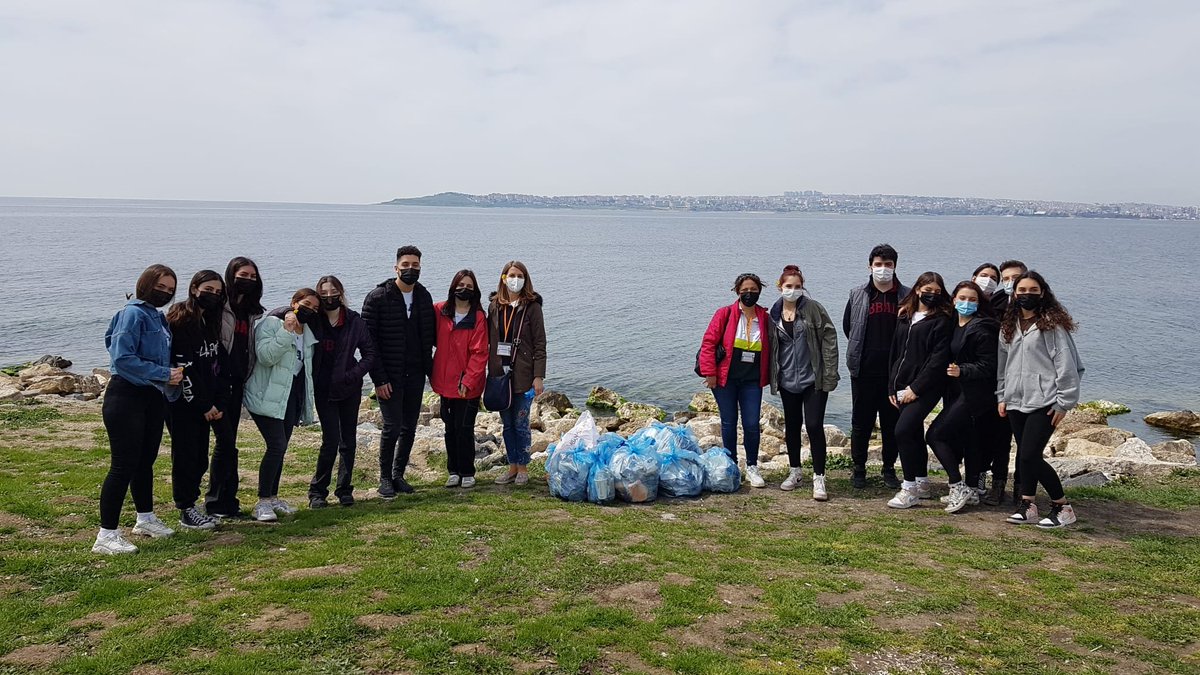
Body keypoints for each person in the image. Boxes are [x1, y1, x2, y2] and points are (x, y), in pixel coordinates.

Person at [93, 264, 183, 554]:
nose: (165, 293)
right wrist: (163, 373)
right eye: (160, 287)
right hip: (126, 395)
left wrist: (169, 373)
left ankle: (145, 519)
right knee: (123, 465)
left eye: (170, 289)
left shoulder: (157, 316)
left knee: (145, 462)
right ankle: (106, 535)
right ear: (145, 284)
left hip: (152, 396)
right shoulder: (132, 313)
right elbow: (122, 357)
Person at [998, 271, 1082, 528]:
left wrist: (1064, 402)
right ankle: (1028, 505)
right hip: (1014, 400)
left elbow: (1067, 365)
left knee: (1029, 456)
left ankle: (1062, 507)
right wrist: (1002, 395)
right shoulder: (1008, 325)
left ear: (1043, 293)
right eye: (1022, 290)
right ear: (1014, 294)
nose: (1027, 295)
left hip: (1045, 401)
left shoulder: (1051, 326)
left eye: (1033, 290)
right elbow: (1003, 364)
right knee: (1024, 455)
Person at [361, 246, 437, 499]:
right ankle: (384, 478)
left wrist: (432, 372)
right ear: (396, 268)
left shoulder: (423, 296)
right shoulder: (377, 297)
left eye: (415, 265)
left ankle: (398, 475)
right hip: (389, 376)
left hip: (415, 374)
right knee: (391, 427)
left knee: (409, 428)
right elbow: (368, 343)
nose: (410, 269)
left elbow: (429, 337)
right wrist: (379, 378)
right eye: (405, 265)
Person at [244, 288, 319, 522]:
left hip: (290, 396)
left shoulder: (308, 332)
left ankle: (273, 497)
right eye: (306, 304)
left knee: (281, 447)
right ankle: (262, 502)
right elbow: (266, 357)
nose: (310, 310)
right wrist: (286, 331)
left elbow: (304, 369)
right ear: (294, 303)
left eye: (315, 308)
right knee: (276, 445)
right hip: (266, 395)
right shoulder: (271, 324)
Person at [165, 270, 231, 531]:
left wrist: (219, 402)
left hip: (208, 403)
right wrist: (203, 405)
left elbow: (218, 363)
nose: (213, 295)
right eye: (208, 290)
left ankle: (193, 505)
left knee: (200, 457)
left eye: (218, 292)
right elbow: (183, 369)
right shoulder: (180, 319)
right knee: (186, 455)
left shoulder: (210, 321)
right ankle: (185, 508)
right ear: (194, 289)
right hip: (184, 403)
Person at [767, 265, 839, 500]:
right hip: (787, 379)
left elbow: (829, 338)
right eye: (789, 286)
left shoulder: (813, 309)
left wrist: (830, 372)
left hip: (813, 378)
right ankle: (795, 472)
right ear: (780, 287)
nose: (793, 290)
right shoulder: (773, 314)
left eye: (798, 286)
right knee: (792, 425)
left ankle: (819, 477)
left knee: (814, 425)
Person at [925, 281, 998, 513]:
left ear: (979, 303)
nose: (967, 303)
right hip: (956, 392)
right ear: (954, 299)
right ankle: (972, 489)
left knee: (935, 435)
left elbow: (990, 365)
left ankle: (958, 485)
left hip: (974, 394)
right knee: (969, 439)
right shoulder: (953, 323)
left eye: (972, 299)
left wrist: (962, 370)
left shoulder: (982, 328)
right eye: (963, 298)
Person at [844, 244, 911, 489]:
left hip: (896, 373)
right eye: (879, 264)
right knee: (861, 422)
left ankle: (889, 469)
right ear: (870, 266)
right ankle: (858, 469)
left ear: (895, 266)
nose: (883, 269)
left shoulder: (907, 296)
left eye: (888, 264)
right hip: (864, 370)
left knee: (892, 424)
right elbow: (848, 327)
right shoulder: (858, 293)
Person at [307, 276, 377, 509]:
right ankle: (317, 491)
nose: (330, 296)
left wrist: (353, 375)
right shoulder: (313, 320)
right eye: (324, 293)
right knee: (330, 440)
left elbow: (369, 354)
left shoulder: (354, 321)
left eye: (333, 292)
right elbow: (285, 317)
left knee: (348, 441)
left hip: (349, 388)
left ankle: (344, 489)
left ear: (341, 293)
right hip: (323, 390)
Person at [886, 271, 953, 509]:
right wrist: (891, 385)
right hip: (900, 384)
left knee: (902, 431)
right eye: (927, 290)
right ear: (917, 290)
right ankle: (922, 481)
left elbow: (938, 360)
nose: (932, 295)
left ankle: (909, 488)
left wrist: (916, 388)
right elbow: (896, 352)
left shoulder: (942, 320)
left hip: (925, 387)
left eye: (937, 291)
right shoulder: (905, 315)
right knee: (913, 432)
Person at [205, 256, 264, 519]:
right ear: (231, 275)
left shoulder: (250, 310)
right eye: (243, 275)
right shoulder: (220, 306)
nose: (247, 280)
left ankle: (228, 501)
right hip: (218, 383)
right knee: (225, 442)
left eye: (252, 276)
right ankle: (216, 502)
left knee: (229, 443)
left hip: (237, 382)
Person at [700, 273, 771, 488]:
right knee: (729, 422)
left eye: (753, 290)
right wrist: (710, 373)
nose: (749, 294)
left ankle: (752, 466)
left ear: (760, 291)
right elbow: (708, 343)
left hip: (752, 381)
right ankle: (730, 466)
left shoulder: (765, 318)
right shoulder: (725, 314)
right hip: (726, 379)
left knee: (751, 424)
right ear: (737, 292)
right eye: (745, 290)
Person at [487, 261, 547, 486]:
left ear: (526, 279)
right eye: (511, 275)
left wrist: (538, 376)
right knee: (507, 424)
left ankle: (523, 467)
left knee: (521, 423)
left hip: (523, 375)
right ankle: (512, 466)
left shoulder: (533, 307)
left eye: (520, 275)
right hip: (499, 375)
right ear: (504, 278)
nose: (515, 279)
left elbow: (540, 344)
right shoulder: (495, 306)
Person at [432, 270, 489, 489]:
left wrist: (468, 380)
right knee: (450, 428)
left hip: (467, 385)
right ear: (453, 286)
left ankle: (467, 471)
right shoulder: (440, 310)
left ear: (475, 291)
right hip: (445, 382)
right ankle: (453, 471)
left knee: (465, 428)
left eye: (469, 287)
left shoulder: (478, 318)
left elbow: (480, 353)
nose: (464, 289)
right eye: (461, 285)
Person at [984, 258, 1029, 502]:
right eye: (1006, 279)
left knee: (1026, 442)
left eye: (1016, 277)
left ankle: (1023, 488)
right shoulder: (996, 302)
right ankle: (998, 484)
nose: (1011, 282)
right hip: (1001, 379)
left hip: (1030, 384)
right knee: (1000, 437)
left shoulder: (1040, 306)